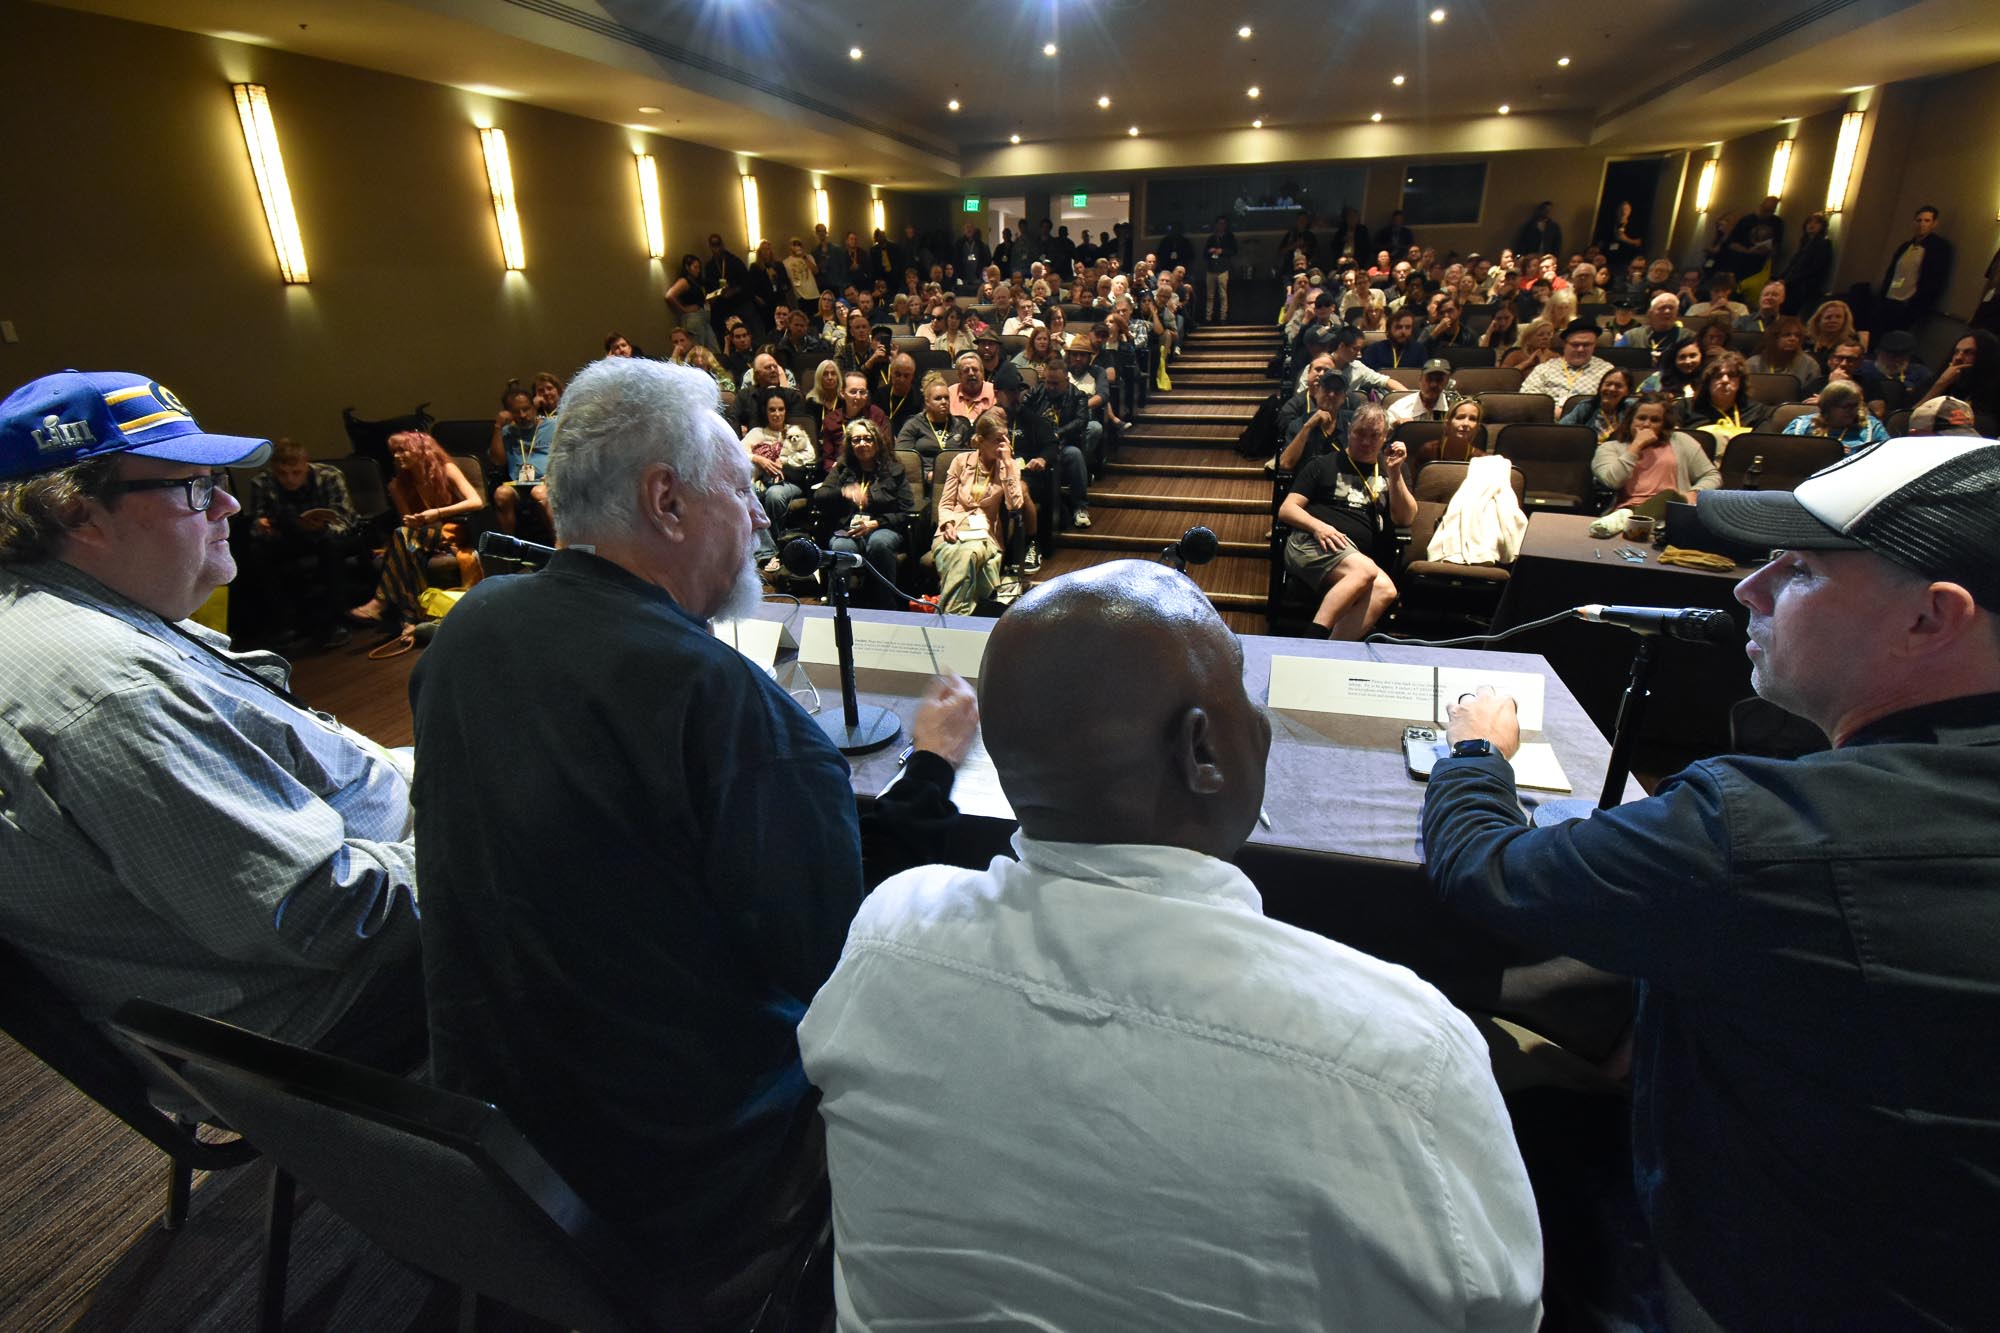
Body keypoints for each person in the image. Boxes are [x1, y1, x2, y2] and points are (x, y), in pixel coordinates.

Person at [800, 560, 1542, 1331]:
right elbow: (1502, 1313)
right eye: (1244, 686)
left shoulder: (885, 939)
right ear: (1202, 752)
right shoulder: (1411, 1057)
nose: (1259, 718)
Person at [412, 356, 978, 1323]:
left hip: (493, 1149)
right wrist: (930, 771)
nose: (761, 518)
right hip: (685, 1173)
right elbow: (839, 970)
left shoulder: (471, 627)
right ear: (667, 501)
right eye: (742, 491)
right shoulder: (727, 707)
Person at [1422, 438, 2000, 1330]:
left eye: (1800, 569)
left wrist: (1471, 751)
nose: (1747, 589)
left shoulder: (1770, 828)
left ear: (1932, 619)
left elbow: (1487, 871)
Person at [0, 370, 422, 1069]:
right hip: (346, 1010)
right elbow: (330, 914)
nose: (226, 502)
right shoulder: (111, 694)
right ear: (78, 515)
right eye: (193, 485)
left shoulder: (83, 611)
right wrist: (492, 832)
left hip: (349, 883)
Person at [1278, 405, 1414, 639]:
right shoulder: (1322, 464)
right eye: (1360, 433)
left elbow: (1404, 518)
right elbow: (1287, 509)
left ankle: (1327, 654)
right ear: (1349, 430)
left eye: (1374, 435)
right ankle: (1313, 638)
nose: (1366, 441)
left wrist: (1395, 474)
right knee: (1366, 570)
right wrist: (1319, 527)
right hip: (1312, 543)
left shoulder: (1393, 471)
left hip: (1354, 557)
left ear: (1385, 438)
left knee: (1386, 589)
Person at [348, 430, 484, 628]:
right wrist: (416, 520)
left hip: (451, 529)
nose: (396, 456)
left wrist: (436, 513)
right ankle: (410, 619)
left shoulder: (447, 469)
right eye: (394, 452)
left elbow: (476, 501)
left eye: (402, 450)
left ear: (420, 450)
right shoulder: (397, 485)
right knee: (407, 546)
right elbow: (407, 524)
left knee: (404, 539)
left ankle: (384, 604)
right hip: (421, 535)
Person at [239, 436, 359, 648]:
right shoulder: (262, 483)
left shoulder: (329, 476)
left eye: (296, 473)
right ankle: (284, 622)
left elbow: (345, 518)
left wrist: (322, 526)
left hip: (328, 535)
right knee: (258, 551)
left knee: (330, 545)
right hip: (288, 536)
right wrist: (262, 526)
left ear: (306, 465)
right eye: (282, 474)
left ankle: (335, 622)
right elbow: (258, 519)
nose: (290, 480)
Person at [931, 410, 1030, 614]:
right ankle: (966, 613)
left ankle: (950, 612)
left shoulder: (1008, 465)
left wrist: (1007, 465)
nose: (1003, 444)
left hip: (985, 532)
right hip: (954, 529)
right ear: (981, 441)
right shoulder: (960, 461)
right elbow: (946, 503)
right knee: (958, 552)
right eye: (997, 440)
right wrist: (947, 524)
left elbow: (1014, 505)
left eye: (1005, 439)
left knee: (969, 551)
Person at [814, 417, 914, 604]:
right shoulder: (843, 467)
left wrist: (876, 523)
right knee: (841, 548)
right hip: (850, 527)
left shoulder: (894, 469)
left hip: (882, 526)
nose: (862, 443)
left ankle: (886, 606)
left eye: (868, 438)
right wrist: (843, 491)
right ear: (850, 444)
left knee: (878, 543)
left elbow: (907, 511)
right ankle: (836, 608)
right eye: (856, 439)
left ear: (877, 441)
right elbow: (820, 496)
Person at [1590, 392, 1718, 510]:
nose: (1646, 424)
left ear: (1664, 424)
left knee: (1668, 501)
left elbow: (1712, 476)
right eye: (1641, 418)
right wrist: (1636, 446)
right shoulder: (1609, 448)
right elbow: (1613, 481)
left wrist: (1694, 492)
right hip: (1628, 511)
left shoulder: (1681, 441)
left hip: (1672, 509)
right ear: (1630, 421)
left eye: (1655, 420)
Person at [741, 389, 816, 570]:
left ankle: (771, 550)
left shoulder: (794, 432)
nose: (776, 414)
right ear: (765, 412)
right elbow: (737, 453)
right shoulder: (756, 433)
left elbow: (810, 458)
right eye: (772, 410)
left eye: (780, 409)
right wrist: (759, 459)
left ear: (786, 411)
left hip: (790, 482)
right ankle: (769, 551)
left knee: (774, 495)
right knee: (746, 493)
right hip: (758, 481)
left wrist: (786, 464)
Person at [488, 381, 554, 537]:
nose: (523, 415)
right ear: (508, 413)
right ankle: (511, 548)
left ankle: (559, 546)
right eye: (516, 411)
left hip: (547, 482)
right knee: (501, 494)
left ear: (534, 406)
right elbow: (498, 461)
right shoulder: (506, 432)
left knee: (539, 493)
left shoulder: (553, 426)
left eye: (526, 409)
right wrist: (498, 427)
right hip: (518, 486)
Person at [1877, 204, 1953, 335]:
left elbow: (1934, 280)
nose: (1922, 224)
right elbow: (1893, 272)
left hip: (1909, 304)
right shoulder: (1906, 246)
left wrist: (1917, 304)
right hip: (1890, 300)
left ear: (1934, 224)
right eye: (1919, 220)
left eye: (1927, 221)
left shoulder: (1938, 248)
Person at [1522, 318, 1613, 417]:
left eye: (1586, 345)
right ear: (1564, 344)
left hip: (1588, 423)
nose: (1580, 349)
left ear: (1594, 345)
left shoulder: (1607, 370)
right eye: (1575, 344)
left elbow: (1611, 404)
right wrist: (1552, 412)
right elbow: (1527, 399)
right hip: (1546, 423)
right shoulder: (1544, 369)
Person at [1916, 329, 2000, 435]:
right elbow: (1909, 418)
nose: (1958, 358)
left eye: (1969, 353)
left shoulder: (1994, 390)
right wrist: (1941, 384)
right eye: (1956, 352)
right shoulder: (1938, 381)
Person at [1682, 350, 1772, 444]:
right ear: (1707, 382)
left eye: (1731, 375)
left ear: (1740, 381)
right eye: (1718, 376)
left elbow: (1762, 445)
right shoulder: (1685, 407)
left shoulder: (1758, 412)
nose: (1725, 380)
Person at [1782, 379, 1887, 454]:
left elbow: (1887, 458)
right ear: (1829, 406)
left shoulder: (1872, 427)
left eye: (1856, 405)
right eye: (1847, 406)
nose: (1854, 410)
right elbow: (1783, 454)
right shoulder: (1801, 426)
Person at [1558, 364, 1636, 441]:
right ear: (1600, 387)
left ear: (1627, 392)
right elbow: (1560, 430)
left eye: (1618, 386)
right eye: (1608, 384)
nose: (1612, 389)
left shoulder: (1631, 408)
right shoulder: (1586, 407)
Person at [1777, 213, 1833, 314]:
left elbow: (1815, 267)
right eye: (1809, 222)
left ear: (1822, 226)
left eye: (1816, 223)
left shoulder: (1823, 243)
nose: (1811, 225)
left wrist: (1791, 279)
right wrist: (1783, 277)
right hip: (1792, 283)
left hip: (1804, 286)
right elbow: (1794, 263)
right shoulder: (1805, 242)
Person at [664, 253, 716, 352]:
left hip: (703, 318)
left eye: (699, 267)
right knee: (697, 351)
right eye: (695, 267)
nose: (698, 270)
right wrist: (684, 309)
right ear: (687, 267)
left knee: (712, 348)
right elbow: (669, 295)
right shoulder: (684, 281)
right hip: (693, 319)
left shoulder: (697, 281)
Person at [1385, 358, 1462, 425]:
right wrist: (1396, 425)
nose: (1433, 384)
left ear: (1447, 382)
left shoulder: (1455, 408)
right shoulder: (1400, 407)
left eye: (1439, 380)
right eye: (1429, 379)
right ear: (1420, 379)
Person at [1746, 316, 1818, 384]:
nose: (1793, 339)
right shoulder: (1754, 364)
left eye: (1797, 335)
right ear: (1774, 338)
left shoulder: (1809, 365)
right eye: (1787, 335)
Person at [1202, 215, 1237, 322]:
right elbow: (1204, 254)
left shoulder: (1230, 237)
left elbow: (1234, 251)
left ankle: (1223, 318)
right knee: (1210, 296)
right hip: (1211, 269)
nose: (1221, 226)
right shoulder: (1211, 238)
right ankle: (1208, 318)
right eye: (1219, 223)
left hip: (1223, 268)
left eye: (1223, 223)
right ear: (1216, 225)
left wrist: (1222, 251)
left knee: (1223, 295)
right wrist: (1210, 251)